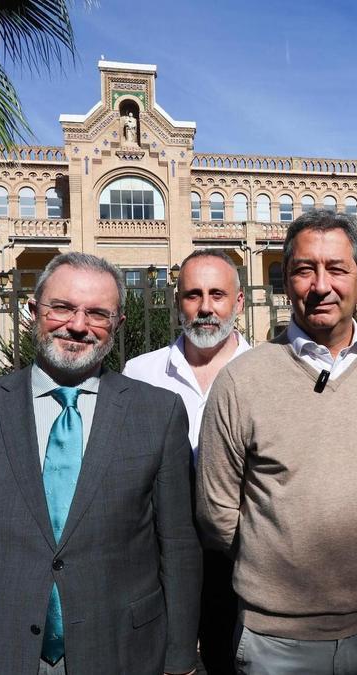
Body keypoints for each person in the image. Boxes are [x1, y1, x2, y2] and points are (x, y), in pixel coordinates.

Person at [0, 252, 201, 675]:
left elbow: (178, 545)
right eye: (62, 307)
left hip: (122, 651)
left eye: (98, 313)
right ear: (33, 311)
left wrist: (180, 656)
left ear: (118, 325)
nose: (78, 325)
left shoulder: (158, 413)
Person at [196, 209, 357, 674]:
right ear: (286, 281)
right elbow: (217, 513)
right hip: (276, 642)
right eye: (304, 269)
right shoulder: (241, 382)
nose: (321, 285)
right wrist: (281, 560)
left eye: (336, 269)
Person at [122, 249, 251, 675]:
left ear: (239, 302)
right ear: (178, 303)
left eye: (218, 294)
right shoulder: (141, 373)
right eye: (193, 295)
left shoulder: (266, 373)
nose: (206, 307)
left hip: (243, 554)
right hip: (161, 555)